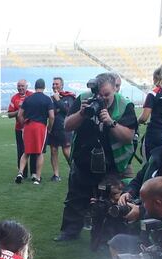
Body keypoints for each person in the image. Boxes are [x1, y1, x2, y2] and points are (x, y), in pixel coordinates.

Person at [55, 73, 138, 242]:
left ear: (116, 88)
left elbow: (128, 136)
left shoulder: (124, 105)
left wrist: (110, 122)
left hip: (111, 162)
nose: (103, 99)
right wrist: (81, 113)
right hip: (83, 159)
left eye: (107, 94)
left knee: (109, 199)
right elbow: (67, 125)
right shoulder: (84, 98)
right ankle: (69, 232)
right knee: (76, 197)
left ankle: (108, 235)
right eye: (99, 95)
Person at [16, 79, 55, 185]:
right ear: (44, 87)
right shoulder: (47, 99)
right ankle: (37, 177)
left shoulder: (28, 99)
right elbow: (51, 116)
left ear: (35, 87)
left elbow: (19, 114)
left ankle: (20, 173)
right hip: (40, 127)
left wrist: (24, 124)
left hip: (28, 126)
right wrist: (49, 128)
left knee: (26, 152)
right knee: (39, 152)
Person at [139, 65, 162, 158]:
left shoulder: (153, 93)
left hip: (155, 134)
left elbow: (144, 117)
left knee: (150, 165)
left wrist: (136, 122)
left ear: (156, 78)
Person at [48, 77, 77, 181]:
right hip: (53, 128)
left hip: (65, 128)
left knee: (66, 151)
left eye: (57, 84)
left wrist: (58, 100)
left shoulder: (69, 97)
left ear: (62, 85)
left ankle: (75, 171)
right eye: (53, 84)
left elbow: (68, 111)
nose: (54, 86)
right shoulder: (50, 98)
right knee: (54, 151)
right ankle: (56, 175)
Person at [8, 79, 34, 179]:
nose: (20, 88)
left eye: (22, 86)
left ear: (26, 86)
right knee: (21, 150)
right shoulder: (14, 98)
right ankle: (22, 173)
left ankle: (34, 173)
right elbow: (10, 114)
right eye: (19, 86)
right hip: (19, 129)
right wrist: (19, 111)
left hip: (30, 128)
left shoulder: (31, 95)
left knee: (33, 150)